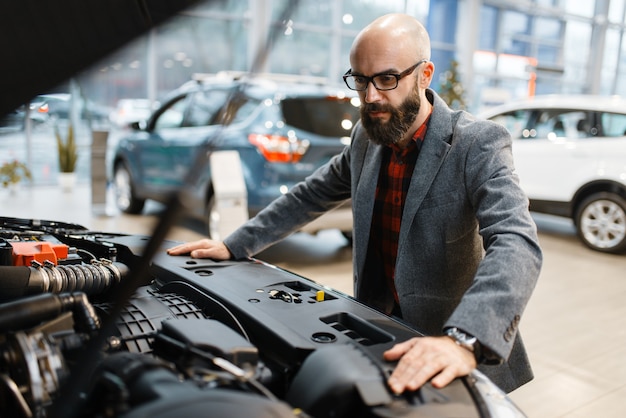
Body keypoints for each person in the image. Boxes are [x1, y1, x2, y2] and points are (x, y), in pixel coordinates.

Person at [167, 13, 542, 394]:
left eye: (387, 79)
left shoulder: (477, 143)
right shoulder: (366, 138)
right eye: (360, 80)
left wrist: (464, 340)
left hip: (451, 349)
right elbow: (311, 195)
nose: (370, 96)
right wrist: (235, 244)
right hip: (378, 333)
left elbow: (516, 242)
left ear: (425, 74)